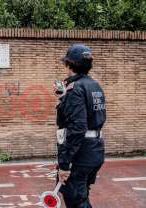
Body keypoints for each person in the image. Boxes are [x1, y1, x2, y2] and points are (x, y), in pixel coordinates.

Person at [53, 44, 106, 208]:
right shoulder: (95, 85)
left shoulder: (75, 89)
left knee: (76, 199)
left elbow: (77, 128)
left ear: (70, 64)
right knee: (81, 195)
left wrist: (64, 164)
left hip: (81, 153)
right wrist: (63, 98)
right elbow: (91, 116)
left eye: (66, 64)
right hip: (95, 149)